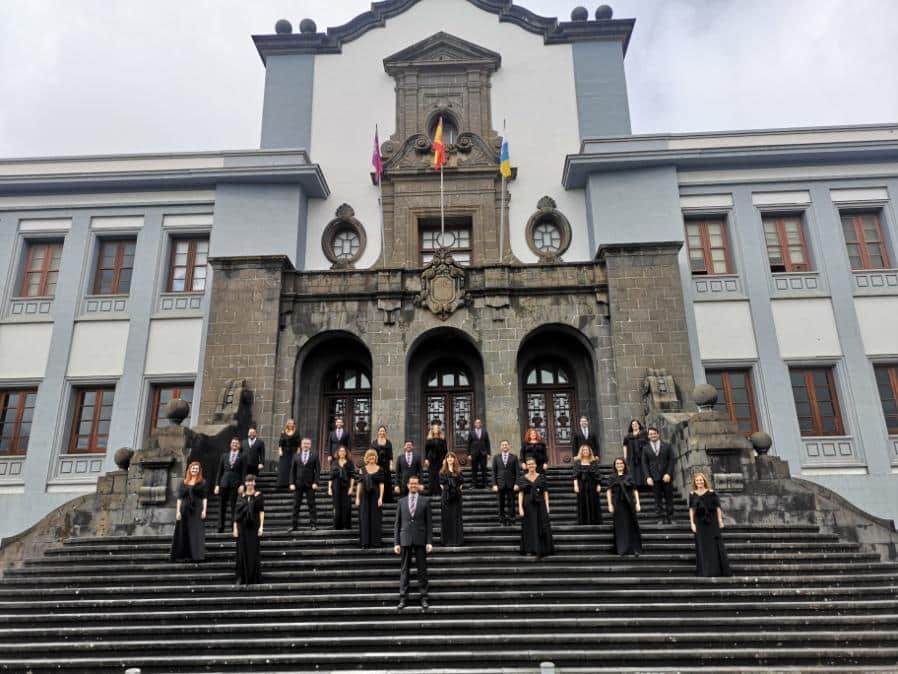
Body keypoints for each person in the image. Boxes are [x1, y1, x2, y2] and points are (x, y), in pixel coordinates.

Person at [393, 475, 433, 610]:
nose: (413, 486)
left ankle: (424, 597)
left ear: (419, 485)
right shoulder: (401, 502)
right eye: (411, 484)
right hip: (405, 539)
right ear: (408, 485)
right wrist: (396, 543)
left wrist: (429, 541)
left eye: (416, 484)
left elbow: (429, 523)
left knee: (422, 570)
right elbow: (397, 524)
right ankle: (403, 597)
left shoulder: (425, 501)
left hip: (421, 539)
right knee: (404, 570)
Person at [689, 472, 731, 577]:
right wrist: (692, 523)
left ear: (704, 481)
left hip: (712, 521)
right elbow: (691, 510)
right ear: (695, 482)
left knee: (714, 545)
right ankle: (705, 571)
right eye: (697, 480)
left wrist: (720, 520)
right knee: (702, 546)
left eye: (701, 480)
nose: (699, 482)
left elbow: (717, 508)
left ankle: (717, 570)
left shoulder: (712, 493)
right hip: (699, 522)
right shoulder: (692, 494)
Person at [170, 461, 207, 562]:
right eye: (193, 468)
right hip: (185, 509)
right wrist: (178, 512)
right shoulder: (184, 482)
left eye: (196, 469)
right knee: (183, 531)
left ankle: (197, 555)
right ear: (189, 470)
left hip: (197, 509)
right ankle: (182, 555)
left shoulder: (202, 482)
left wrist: (204, 510)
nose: (194, 470)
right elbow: (179, 498)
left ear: (199, 470)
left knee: (196, 532)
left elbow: (204, 498)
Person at [517, 457, 554, 559]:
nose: (531, 466)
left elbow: (545, 492)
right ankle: (530, 549)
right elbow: (520, 493)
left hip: (540, 504)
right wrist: (520, 507)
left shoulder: (541, 477)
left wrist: (547, 506)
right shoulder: (522, 478)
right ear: (526, 466)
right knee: (529, 526)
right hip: (527, 505)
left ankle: (543, 549)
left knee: (542, 525)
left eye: (532, 464)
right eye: (529, 464)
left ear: (536, 465)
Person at [607, 457, 642, 557]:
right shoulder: (612, 477)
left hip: (629, 502)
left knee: (631, 525)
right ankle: (622, 549)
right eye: (617, 463)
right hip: (617, 503)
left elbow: (635, 490)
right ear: (615, 466)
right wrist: (609, 504)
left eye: (621, 463)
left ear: (624, 465)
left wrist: (638, 503)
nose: (619, 465)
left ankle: (634, 549)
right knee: (620, 526)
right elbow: (609, 491)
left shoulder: (629, 476)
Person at [234, 474, 264, 585]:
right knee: (241, 552)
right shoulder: (241, 495)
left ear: (254, 483)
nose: (250, 483)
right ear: (245, 483)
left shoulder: (259, 495)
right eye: (248, 481)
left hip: (254, 526)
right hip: (242, 527)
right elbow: (236, 513)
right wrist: (235, 528)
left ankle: (253, 578)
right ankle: (241, 577)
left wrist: (261, 527)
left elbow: (261, 511)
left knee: (253, 552)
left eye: (252, 481)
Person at [642, 426, 676, 524]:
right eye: (650, 434)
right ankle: (660, 518)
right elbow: (644, 464)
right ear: (648, 436)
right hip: (654, 477)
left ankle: (671, 517)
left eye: (654, 433)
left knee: (669, 497)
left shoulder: (667, 445)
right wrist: (648, 477)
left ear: (658, 434)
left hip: (666, 476)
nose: (652, 435)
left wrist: (669, 474)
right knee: (657, 499)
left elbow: (671, 460)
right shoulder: (645, 448)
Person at [214, 437, 246, 533]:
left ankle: (233, 527)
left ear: (239, 445)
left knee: (233, 507)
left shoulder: (243, 456)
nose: (235, 444)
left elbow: (244, 472)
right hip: (224, 483)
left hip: (235, 484)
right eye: (233, 443)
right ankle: (220, 527)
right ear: (230, 444)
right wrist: (217, 485)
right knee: (222, 506)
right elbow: (219, 471)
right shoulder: (224, 456)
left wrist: (242, 484)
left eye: (236, 443)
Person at [289, 437, 319, 531]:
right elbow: (292, 471)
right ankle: (294, 525)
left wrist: (316, 482)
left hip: (310, 485)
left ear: (310, 445)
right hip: (298, 484)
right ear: (301, 445)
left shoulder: (314, 455)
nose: (306, 445)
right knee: (296, 505)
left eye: (308, 444)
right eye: (304, 443)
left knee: (311, 505)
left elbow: (317, 471)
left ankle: (313, 524)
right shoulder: (296, 456)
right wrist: (291, 483)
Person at [357, 448, 385, 548]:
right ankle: (365, 543)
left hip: (376, 495)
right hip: (364, 495)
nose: (371, 457)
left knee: (375, 518)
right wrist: (357, 498)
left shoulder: (380, 469)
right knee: (364, 518)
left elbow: (382, 484)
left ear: (376, 457)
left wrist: (381, 497)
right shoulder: (362, 469)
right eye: (369, 456)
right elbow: (359, 484)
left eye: (373, 456)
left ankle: (375, 542)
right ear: (367, 458)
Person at [572, 444, 603, 525]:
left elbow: (597, 474)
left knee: (593, 502)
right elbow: (575, 475)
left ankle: (594, 521)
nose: (585, 451)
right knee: (582, 502)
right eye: (584, 450)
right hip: (581, 485)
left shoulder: (593, 462)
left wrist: (599, 484)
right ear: (581, 452)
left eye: (587, 450)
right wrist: (575, 486)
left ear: (589, 452)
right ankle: (583, 521)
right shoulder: (577, 462)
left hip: (592, 484)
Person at [491, 440, 520, 526]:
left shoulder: (514, 457)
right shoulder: (496, 457)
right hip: (500, 484)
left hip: (511, 484)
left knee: (511, 503)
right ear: (500, 447)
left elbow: (517, 472)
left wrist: (517, 483)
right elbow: (494, 472)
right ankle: (502, 520)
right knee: (501, 503)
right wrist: (494, 484)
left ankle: (512, 519)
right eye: (503, 445)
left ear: (509, 446)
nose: (504, 446)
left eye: (506, 445)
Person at [439, 451, 464, 546]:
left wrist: (454, 487)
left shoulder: (459, 471)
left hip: (456, 497)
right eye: (448, 457)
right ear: (446, 459)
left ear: (454, 459)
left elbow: (461, 484)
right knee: (446, 518)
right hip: (446, 497)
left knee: (456, 518)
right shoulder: (442, 471)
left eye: (452, 457)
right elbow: (442, 485)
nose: (450, 459)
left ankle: (457, 541)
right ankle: (447, 541)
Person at [329, 445, 356, 530]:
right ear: (338, 453)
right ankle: (337, 525)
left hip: (346, 486)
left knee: (347, 506)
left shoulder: (350, 462)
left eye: (343, 451)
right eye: (340, 451)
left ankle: (346, 525)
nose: (342, 453)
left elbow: (352, 476)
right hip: (336, 486)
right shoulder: (334, 463)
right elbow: (331, 477)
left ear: (346, 453)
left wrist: (351, 488)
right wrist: (329, 488)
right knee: (337, 506)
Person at [370, 425, 395, 503]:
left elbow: (391, 455)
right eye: (380, 431)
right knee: (377, 481)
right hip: (376, 465)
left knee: (386, 481)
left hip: (386, 465)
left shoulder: (388, 442)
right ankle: (377, 498)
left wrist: (391, 464)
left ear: (385, 432)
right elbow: (371, 454)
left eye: (383, 431)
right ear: (378, 432)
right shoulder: (374, 442)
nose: (382, 432)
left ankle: (387, 499)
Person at [424, 421, 448, 496]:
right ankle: (432, 491)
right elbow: (426, 450)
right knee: (432, 475)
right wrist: (426, 459)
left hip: (440, 459)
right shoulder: (429, 439)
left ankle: (439, 491)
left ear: (439, 429)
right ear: (432, 430)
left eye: (437, 428)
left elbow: (445, 450)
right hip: (431, 459)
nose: (436, 429)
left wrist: (445, 459)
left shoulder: (443, 439)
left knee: (439, 475)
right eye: (434, 428)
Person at [466, 418, 491, 489]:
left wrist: (488, 453)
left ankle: (485, 484)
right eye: (476, 423)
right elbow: (468, 444)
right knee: (474, 470)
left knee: (484, 470)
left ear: (481, 424)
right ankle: (474, 485)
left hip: (483, 453)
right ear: (474, 424)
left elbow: (487, 443)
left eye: (479, 422)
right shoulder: (471, 432)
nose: (478, 424)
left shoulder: (485, 431)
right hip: (474, 454)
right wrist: (468, 454)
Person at [622, 419, 647, 485]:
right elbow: (625, 446)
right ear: (631, 426)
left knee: (643, 469)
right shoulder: (628, 436)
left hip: (642, 455)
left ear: (639, 425)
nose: (634, 425)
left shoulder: (644, 433)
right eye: (633, 424)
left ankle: (644, 484)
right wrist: (625, 456)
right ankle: (635, 484)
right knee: (633, 470)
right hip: (631, 456)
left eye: (636, 424)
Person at [277, 419, 300, 489]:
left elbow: (299, 443)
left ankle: (292, 482)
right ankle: (283, 483)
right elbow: (280, 442)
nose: (291, 424)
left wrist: (298, 451)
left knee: (292, 466)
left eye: (292, 423)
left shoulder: (296, 432)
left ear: (294, 424)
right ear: (287, 424)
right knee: (284, 467)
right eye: (289, 423)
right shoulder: (283, 432)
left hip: (293, 451)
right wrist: (280, 450)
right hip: (285, 452)